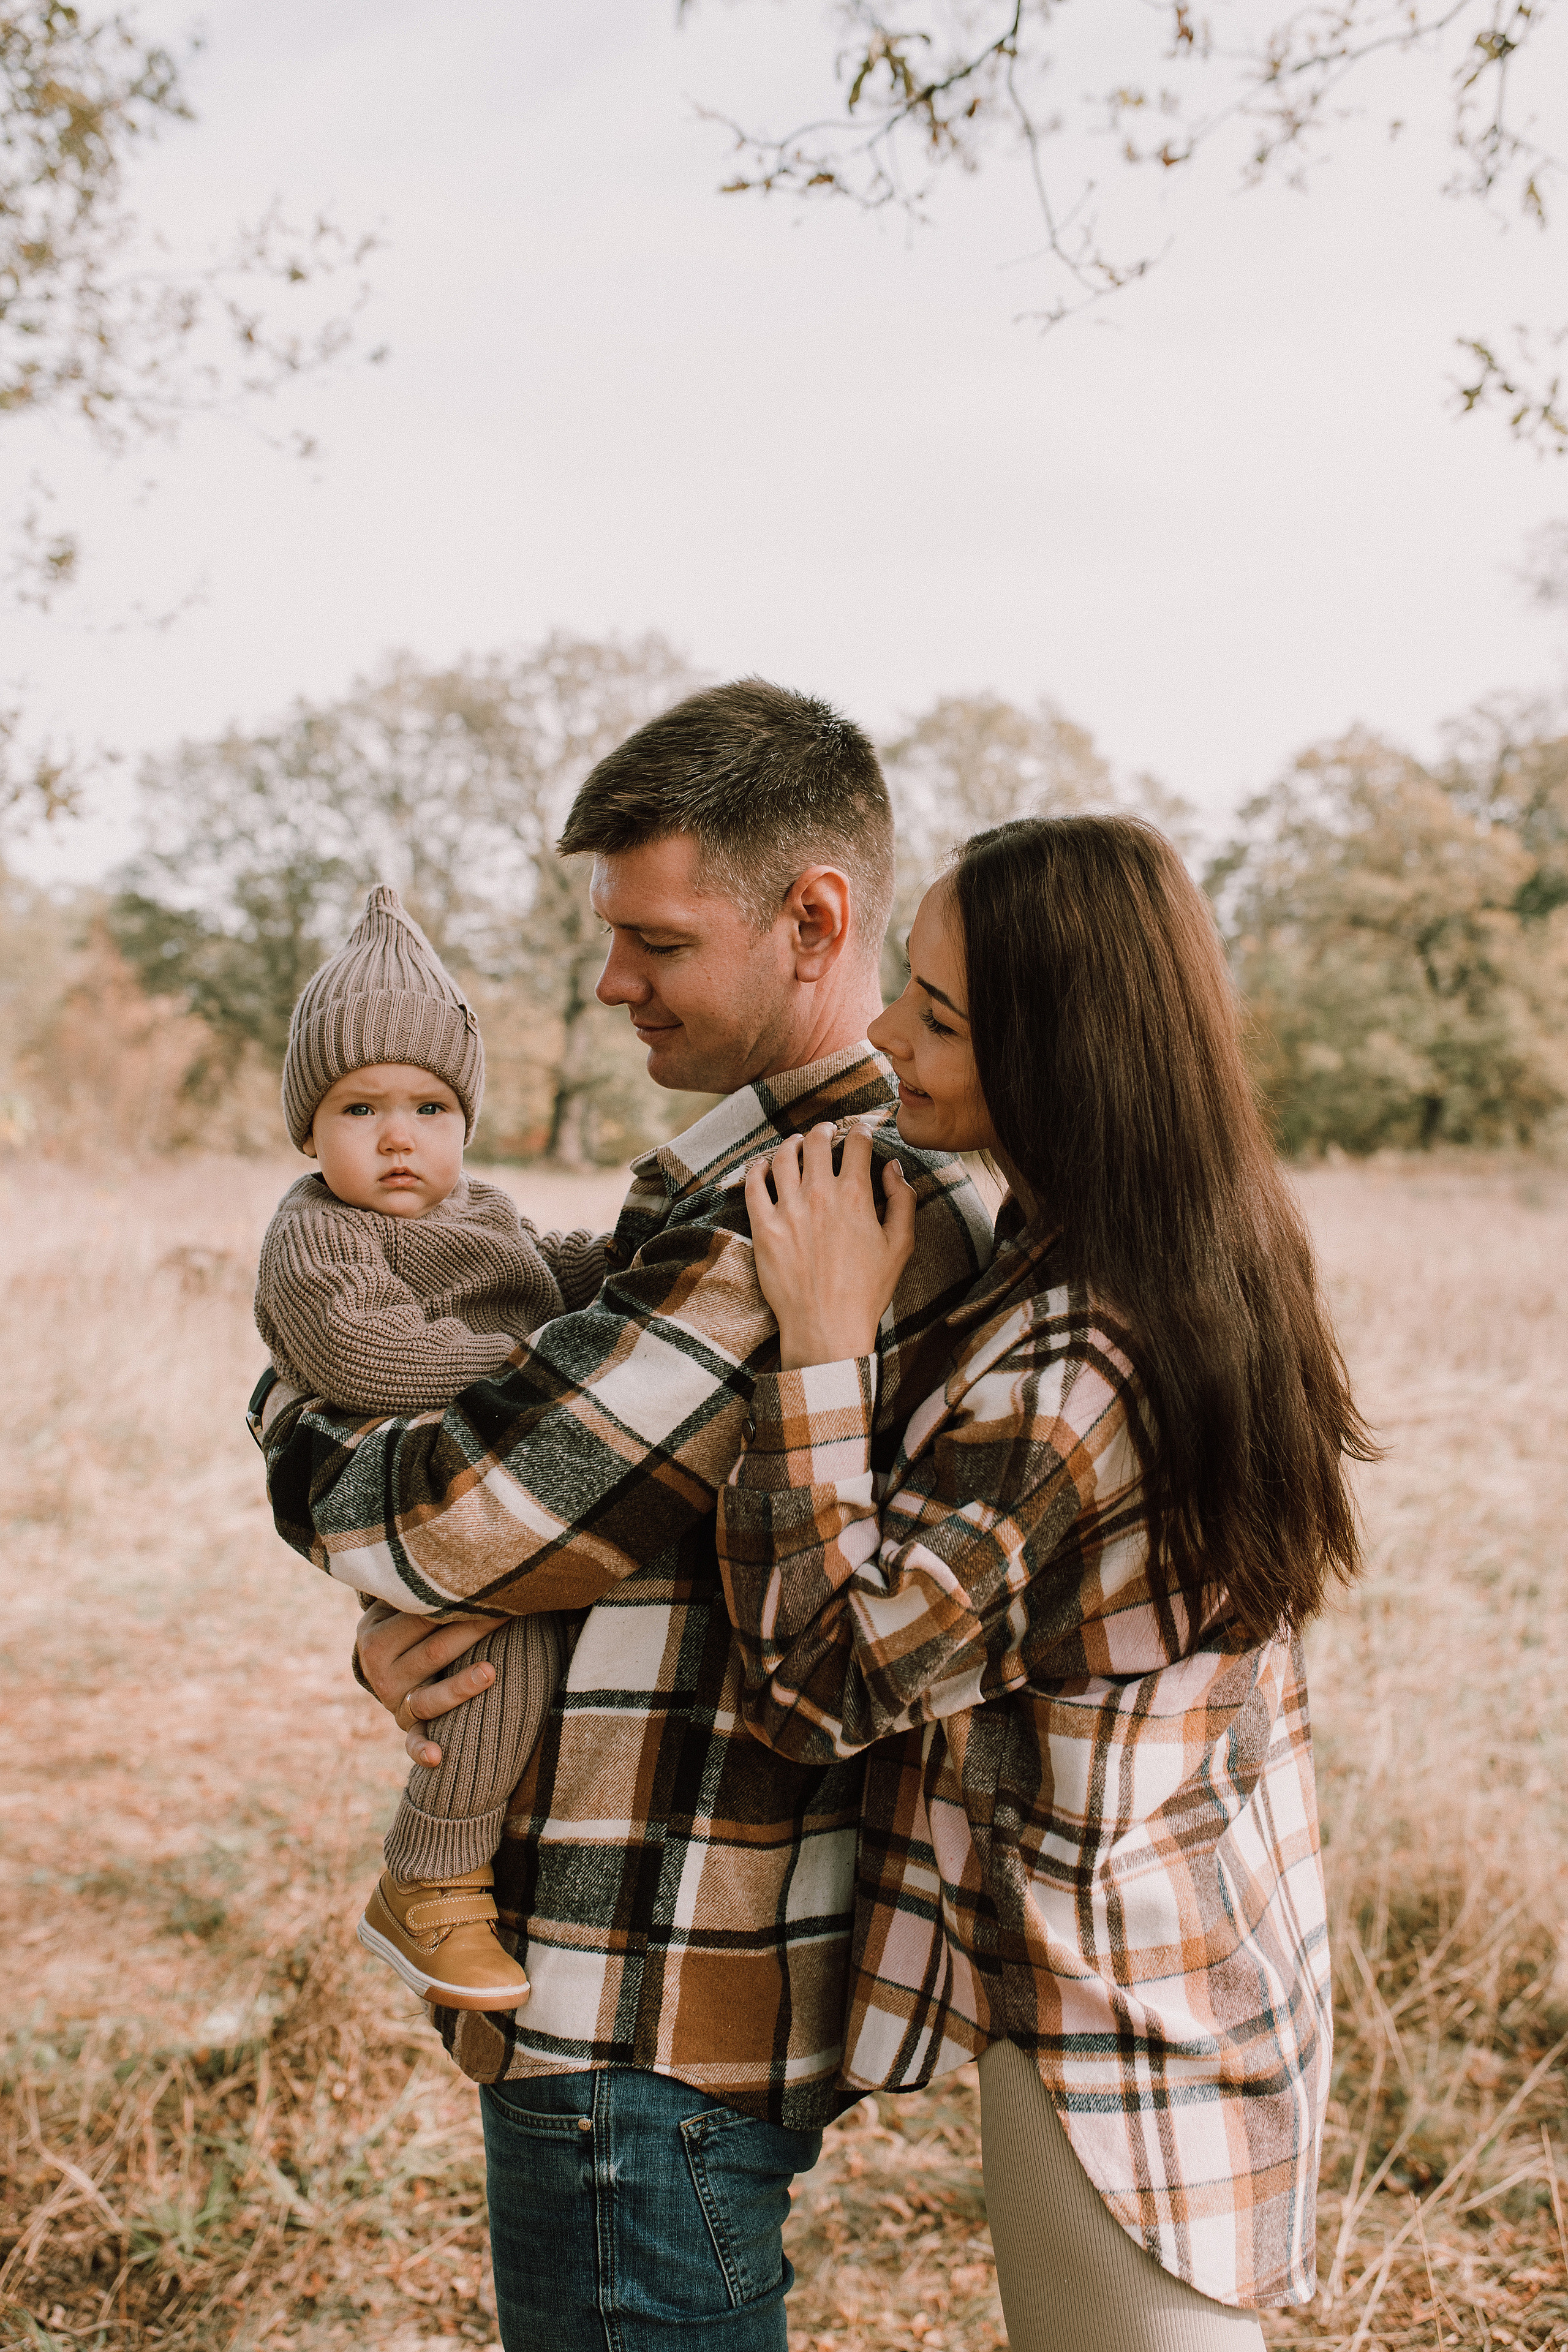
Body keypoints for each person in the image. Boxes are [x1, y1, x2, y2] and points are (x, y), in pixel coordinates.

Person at [252, 680, 992, 2351]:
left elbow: (467, 1524)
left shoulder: (817, 1200)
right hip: (656, 1979)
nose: (609, 983)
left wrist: (292, 1425)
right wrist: (406, 1637)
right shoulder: (737, 1186)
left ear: (814, 921)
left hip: (641, 1996)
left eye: (655, 941)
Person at [715, 815, 1376, 2352]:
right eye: (908, 985)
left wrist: (820, 1354)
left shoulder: (1079, 1363)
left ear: (1062, 1054)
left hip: (1116, 2023)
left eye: (939, 1017)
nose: (883, 1031)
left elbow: (820, 1688)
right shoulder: (1178, 1247)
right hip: (1205, 1943)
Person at [252, 883, 610, 2011]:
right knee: (496, 1658)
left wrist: (637, 1262)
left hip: (502, 1469)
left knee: (529, 1663)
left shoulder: (482, 1210)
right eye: (359, 1108)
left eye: (430, 1107)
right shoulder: (318, 1233)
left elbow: (553, 1265)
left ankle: (480, 1863)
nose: (398, 1136)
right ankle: (431, 1876)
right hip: (420, 1499)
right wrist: (540, 1368)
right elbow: (366, 1354)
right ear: (309, 1128)